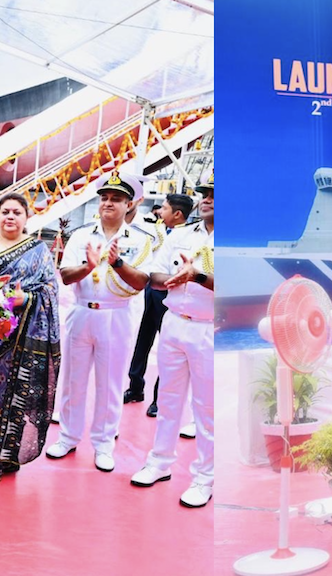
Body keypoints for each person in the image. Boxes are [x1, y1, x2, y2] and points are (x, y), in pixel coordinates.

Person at [44, 171, 154, 473]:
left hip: (116, 314)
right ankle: (67, 436)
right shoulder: (81, 235)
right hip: (82, 312)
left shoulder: (141, 240)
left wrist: (117, 263)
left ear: (128, 204)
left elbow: (142, 281)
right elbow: (65, 276)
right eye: (104, 198)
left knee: (110, 382)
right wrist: (88, 265)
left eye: (116, 199)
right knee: (72, 378)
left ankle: (104, 444)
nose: (108, 203)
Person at [0, 191, 61, 480]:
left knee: (13, 391)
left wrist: (26, 300)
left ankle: (5, 458)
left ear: (26, 218)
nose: (10, 217)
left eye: (17, 212)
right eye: (5, 211)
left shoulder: (38, 250)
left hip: (23, 334)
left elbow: (51, 291)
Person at [131, 175, 214, 507]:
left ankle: (205, 478)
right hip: (175, 323)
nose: (207, 199)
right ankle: (159, 462)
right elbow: (156, 275)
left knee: (205, 409)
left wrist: (199, 277)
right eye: (205, 194)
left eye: (214, 195)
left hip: (210, 328)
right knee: (168, 400)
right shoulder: (180, 234)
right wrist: (177, 279)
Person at [126, 192, 192, 410]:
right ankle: (135, 387)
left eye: (164, 209)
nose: (159, 212)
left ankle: (158, 399)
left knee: (166, 348)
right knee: (143, 339)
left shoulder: (189, 237)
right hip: (151, 291)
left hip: (169, 295)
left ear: (178, 214)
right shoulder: (156, 229)